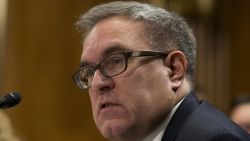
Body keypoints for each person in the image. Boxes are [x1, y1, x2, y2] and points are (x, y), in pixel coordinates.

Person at [72, 1, 250, 141]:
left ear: (174, 70)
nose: (97, 83)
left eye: (116, 61)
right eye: (88, 72)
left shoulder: (214, 139)